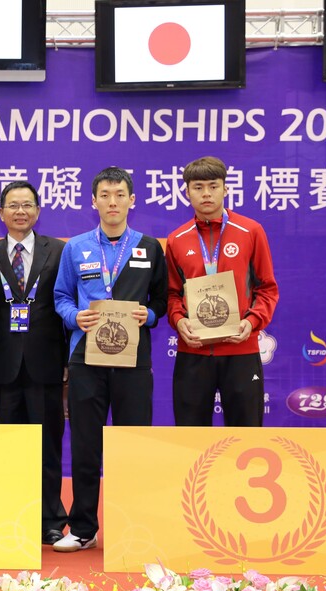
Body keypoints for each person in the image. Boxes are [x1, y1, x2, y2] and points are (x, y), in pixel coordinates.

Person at [53, 167, 168, 552]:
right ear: (94, 201)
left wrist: (147, 316)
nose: (113, 201)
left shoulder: (150, 247)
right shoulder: (76, 247)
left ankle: (132, 526)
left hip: (133, 361)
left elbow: (162, 303)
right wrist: (75, 317)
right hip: (86, 359)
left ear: (132, 201)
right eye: (105, 194)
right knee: (86, 445)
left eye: (120, 194)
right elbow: (61, 298)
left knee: (133, 443)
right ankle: (83, 528)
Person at [0, 181, 68, 546]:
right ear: (0, 213)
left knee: (48, 446)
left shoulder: (59, 252)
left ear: (38, 211)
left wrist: (67, 364)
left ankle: (50, 521)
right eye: (12, 205)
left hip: (47, 364)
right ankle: (15, 515)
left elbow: (64, 309)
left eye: (27, 204)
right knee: (13, 446)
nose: (20, 211)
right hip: (4, 364)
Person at [166, 156, 278, 426]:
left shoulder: (251, 231)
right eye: (198, 187)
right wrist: (179, 321)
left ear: (226, 189)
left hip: (241, 351)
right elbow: (171, 294)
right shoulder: (176, 239)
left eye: (213, 186)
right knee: (190, 441)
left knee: (245, 436)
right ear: (187, 192)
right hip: (193, 353)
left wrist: (251, 323)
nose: (206, 193)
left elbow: (267, 288)